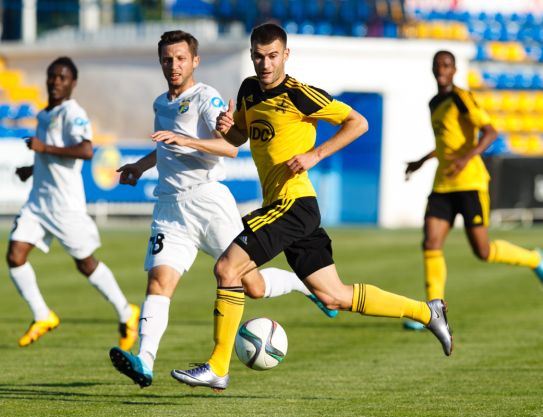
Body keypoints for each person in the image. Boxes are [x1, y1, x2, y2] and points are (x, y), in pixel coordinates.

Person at [170, 23, 453, 392]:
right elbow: (241, 136)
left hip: (294, 203)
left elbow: (358, 122)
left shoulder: (299, 94)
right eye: (258, 56)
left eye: (273, 56)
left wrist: (315, 154)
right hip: (287, 208)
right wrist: (228, 127)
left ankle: (218, 366)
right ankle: (427, 311)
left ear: (286, 55)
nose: (265, 64)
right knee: (334, 294)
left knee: (228, 267)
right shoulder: (248, 91)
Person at [108, 30, 337, 389]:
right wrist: (140, 165)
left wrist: (203, 134)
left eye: (181, 58)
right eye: (168, 59)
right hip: (169, 207)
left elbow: (229, 146)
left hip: (208, 202)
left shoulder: (206, 98)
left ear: (195, 61)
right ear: (160, 61)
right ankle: (145, 361)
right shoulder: (160, 104)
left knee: (253, 286)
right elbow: (168, 149)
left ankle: (301, 283)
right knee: (159, 280)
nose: (174, 65)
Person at [403, 50, 543, 330]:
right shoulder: (434, 103)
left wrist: (466, 158)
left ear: (454, 70)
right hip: (443, 184)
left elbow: (490, 132)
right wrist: (422, 160)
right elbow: (446, 144)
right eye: (437, 65)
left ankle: (534, 258)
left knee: (483, 250)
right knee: (431, 243)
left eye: (446, 65)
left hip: (470, 183)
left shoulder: (461, 97)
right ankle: (434, 312)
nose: (441, 69)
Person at [6, 56, 140, 349]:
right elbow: (51, 155)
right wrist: (33, 167)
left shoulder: (73, 112)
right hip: (38, 202)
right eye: (52, 76)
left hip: (65, 206)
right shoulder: (44, 114)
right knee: (15, 255)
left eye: (62, 77)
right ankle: (42, 315)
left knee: (85, 263)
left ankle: (126, 311)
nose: (56, 81)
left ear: (72, 83)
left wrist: (44, 148)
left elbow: (86, 150)